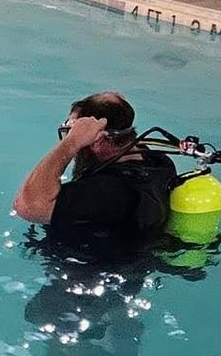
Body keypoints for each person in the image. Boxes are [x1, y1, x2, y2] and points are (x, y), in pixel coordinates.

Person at [11, 92, 176, 247]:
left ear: (97, 140)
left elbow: (27, 206)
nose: (69, 137)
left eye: (72, 132)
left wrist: (72, 143)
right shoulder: (157, 161)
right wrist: (111, 104)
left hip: (87, 272)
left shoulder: (105, 192)